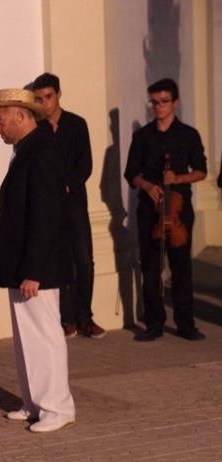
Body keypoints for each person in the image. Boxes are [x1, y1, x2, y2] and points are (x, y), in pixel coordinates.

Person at [0, 88, 75, 433]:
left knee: (44, 335)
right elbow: (18, 213)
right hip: (21, 263)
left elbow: (46, 216)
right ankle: (34, 402)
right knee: (26, 337)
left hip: (39, 268)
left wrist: (33, 269)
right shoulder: (26, 151)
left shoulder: (43, 152)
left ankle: (57, 408)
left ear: (20, 115)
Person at [124, 78, 207, 342]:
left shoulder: (189, 135)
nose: (158, 107)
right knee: (150, 268)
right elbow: (131, 174)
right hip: (150, 211)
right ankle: (154, 323)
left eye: (163, 102)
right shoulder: (142, 136)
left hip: (179, 211)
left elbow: (201, 171)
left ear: (175, 103)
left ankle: (186, 324)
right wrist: (148, 185)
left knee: (181, 268)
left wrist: (178, 179)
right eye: (154, 102)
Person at [32, 72, 105, 340]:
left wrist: (66, 185)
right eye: (39, 98)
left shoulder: (76, 125)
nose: (44, 103)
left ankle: (86, 318)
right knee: (58, 262)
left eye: (48, 97)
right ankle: (66, 320)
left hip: (73, 204)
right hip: (48, 208)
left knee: (84, 260)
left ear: (58, 94)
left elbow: (85, 164)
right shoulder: (36, 128)